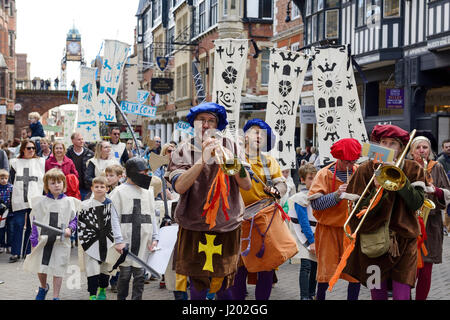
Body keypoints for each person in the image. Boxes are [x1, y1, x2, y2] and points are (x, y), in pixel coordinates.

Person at [167, 102, 251, 300]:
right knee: (197, 284)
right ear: (193, 123)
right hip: (193, 224)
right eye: (201, 120)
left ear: (217, 125)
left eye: (211, 120)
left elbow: (246, 184)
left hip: (227, 224)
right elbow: (179, 187)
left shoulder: (231, 146)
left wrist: (231, 161)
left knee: (225, 285)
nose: (205, 125)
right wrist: (202, 159)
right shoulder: (182, 149)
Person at [342, 125, 425, 300]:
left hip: (404, 241)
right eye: (383, 143)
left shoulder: (413, 168)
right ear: (377, 146)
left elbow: (417, 202)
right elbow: (356, 215)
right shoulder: (365, 170)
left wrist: (400, 181)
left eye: (392, 144)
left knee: (402, 295)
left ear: (401, 148)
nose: (387, 147)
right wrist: (376, 191)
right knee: (377, 294)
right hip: (373, 243)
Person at [230, 118, 294, 301]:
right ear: (246, 135)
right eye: (255, 131)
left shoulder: (269, 161)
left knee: (267, 266)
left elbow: (282, 183)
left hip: (264, 220)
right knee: (238, 268)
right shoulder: (234, 158)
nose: (259, 136)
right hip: (238, 220)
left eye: (263, 134)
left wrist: (277, 191)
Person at [307, 138, 362, 300]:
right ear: (338, 158)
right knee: (326, 272)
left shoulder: (359, 171)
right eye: (346, 162)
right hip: (328, 230)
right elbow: (316, 204)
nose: (349, 165)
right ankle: (320, 297)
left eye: (353, 161)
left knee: (354, 272)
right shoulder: (323, 174)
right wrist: (337, 195)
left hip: (352, 230)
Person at [24, 168, 79, 300]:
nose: (56, 185)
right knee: (41, 267)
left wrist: (70, 229)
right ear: (47, 185)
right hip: (44, 240)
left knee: (58, 268)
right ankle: (43, 287)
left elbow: (74, 219)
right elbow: (35, 221)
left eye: (59, 182)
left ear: (64, 184)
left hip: (61, 242)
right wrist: (34, 241)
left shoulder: (70, 202)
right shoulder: (41, 202)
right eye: (53, 183)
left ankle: (56, 296)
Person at [109, 157, 160, 300]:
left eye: (146, 173)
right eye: (142, 173)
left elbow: (151, 215)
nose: (146, 176)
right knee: (124, 275)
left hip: (144, 241)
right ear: (133, 173)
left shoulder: (148, 191)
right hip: (125, 240)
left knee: (139, 276)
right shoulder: (118, 192)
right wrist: (118, 240)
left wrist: (155, 237)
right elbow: (113, 217)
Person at [408, 136, 450, 300]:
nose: (421, 150)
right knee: (409, 269)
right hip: (408, 223)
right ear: (411, 151)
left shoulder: (436, 167)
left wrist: (436, 191)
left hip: (430, 225)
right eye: (418, 147)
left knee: (426, 270)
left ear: (430, 150)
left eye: (425, 147)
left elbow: (448, 193)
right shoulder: (406, 166)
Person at [78, 176, 116, 300]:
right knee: (92, 268)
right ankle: (92, 294)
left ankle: (103, 289)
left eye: (102, 187)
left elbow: (114, 223)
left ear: (107, 189)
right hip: (91, 242)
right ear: (92, 188)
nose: (99, 189)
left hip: (107, 241)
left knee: (106, 267)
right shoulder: (85, 205)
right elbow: (82, 223)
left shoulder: (111, 204)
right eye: (97, 187)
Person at [9, 140, 45, 262]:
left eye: (33, 148)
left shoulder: (40, 162)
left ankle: (27, 252)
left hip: (35, 197)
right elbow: (11, 180)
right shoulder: (15, 163)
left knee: (31, 226)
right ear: (23, 149)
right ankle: (15, 252)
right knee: (18, 224)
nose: (31, 150)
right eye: (29, 148)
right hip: (19, 197)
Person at [288, 163, 318, 300]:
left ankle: (311, 293)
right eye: (310, 178)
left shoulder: (319, 195)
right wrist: (311, 241)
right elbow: (303, 221)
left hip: (317, 235)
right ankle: (304, 296)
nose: (313, 181)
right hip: (304, 236)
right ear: (302, 180)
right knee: (306, 266)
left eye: (315, 178)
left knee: (315, 266)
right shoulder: (300, 197)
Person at [104, 164, 124, 293]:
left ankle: (115, 280)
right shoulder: (105, 189)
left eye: (111, 175)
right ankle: (107, 278)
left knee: (119, 256)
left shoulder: (122, 190)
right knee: (108, 255)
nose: (108, 178)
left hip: (120, 226)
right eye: (107, 175)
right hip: (107, 226)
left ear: (119, 176)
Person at [66, 132, 94, 200]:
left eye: (82, 139)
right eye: (79, 139)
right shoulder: (67, 154)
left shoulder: (90, 154)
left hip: (87, 187)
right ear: (73, 141)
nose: (82, 141)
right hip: (72, 187)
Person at [0, 169, 13, 254]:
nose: (4, 180)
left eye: (5, 178)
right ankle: (1, 245)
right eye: (1, 178)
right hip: (1, 213)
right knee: (1, 229)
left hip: (10, 212)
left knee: (10, 229)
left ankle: (9, 245)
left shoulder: (11, 187)